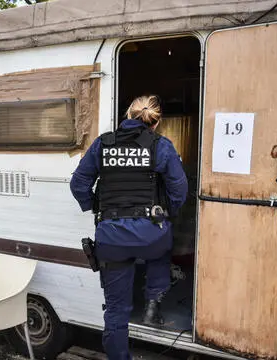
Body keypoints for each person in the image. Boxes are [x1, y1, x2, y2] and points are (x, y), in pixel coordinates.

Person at [70, 95, 188, 360]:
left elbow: (78, 184)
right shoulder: (161, 146)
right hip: (151, 235)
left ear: (127, 114)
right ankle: (152, 302)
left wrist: (97, 207)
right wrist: (166, 214)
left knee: (116, 311)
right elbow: (179, 191)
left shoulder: (104, 144)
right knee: (161, 247)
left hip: (111, 238)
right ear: (155, 123)